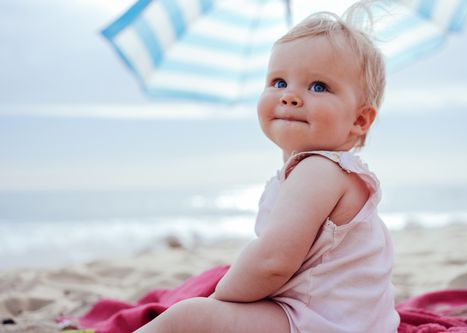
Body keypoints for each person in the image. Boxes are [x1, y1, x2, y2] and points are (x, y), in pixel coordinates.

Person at [135, 7, 399, 333]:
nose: (290, 96)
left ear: (359, 120)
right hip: (345, 320)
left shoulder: (317, 170)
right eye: (278, 81)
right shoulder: (336, 173)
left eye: (318, 87)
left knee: (188, 317)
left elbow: (272, 263)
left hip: (319, 323)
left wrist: (219, 299)